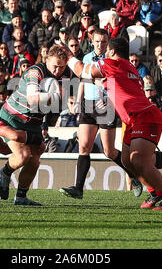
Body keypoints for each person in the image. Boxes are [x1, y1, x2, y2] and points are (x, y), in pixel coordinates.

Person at [67, 37, 162, 210]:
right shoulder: (129, 68)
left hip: (145, 117)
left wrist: (68, 56)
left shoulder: (112, 64)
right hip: (133, 119)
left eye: (107, 51)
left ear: (111, 52)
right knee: (127, 160)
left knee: (137, 160)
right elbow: (112, 85)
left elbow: (81, 71)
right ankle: (154, 192)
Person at [59, 29, 142, 200]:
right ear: (92, 41)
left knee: (109, 151)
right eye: (97, 41)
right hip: (88, 105)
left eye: (104, 42)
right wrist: (78, 101)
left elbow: (110, 82)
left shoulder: (112, 61)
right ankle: (78, 188)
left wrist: (105, 98)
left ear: (108, 44)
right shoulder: (88, 58)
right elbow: (84, 78)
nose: (100, 45)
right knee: (83, 147)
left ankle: (133, 175)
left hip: (105, 105)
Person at [0, 45, 68, 206]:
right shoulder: (35, 72)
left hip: (34, 121)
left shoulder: (66, 74)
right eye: (55, 66)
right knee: (23, 156)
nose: (58, 70)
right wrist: (55, 97)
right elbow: (32, 99)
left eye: (61, 67)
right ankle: (5, 171)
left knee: (35, 158)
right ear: (46, 60)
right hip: (13, 118)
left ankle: (21, 197)